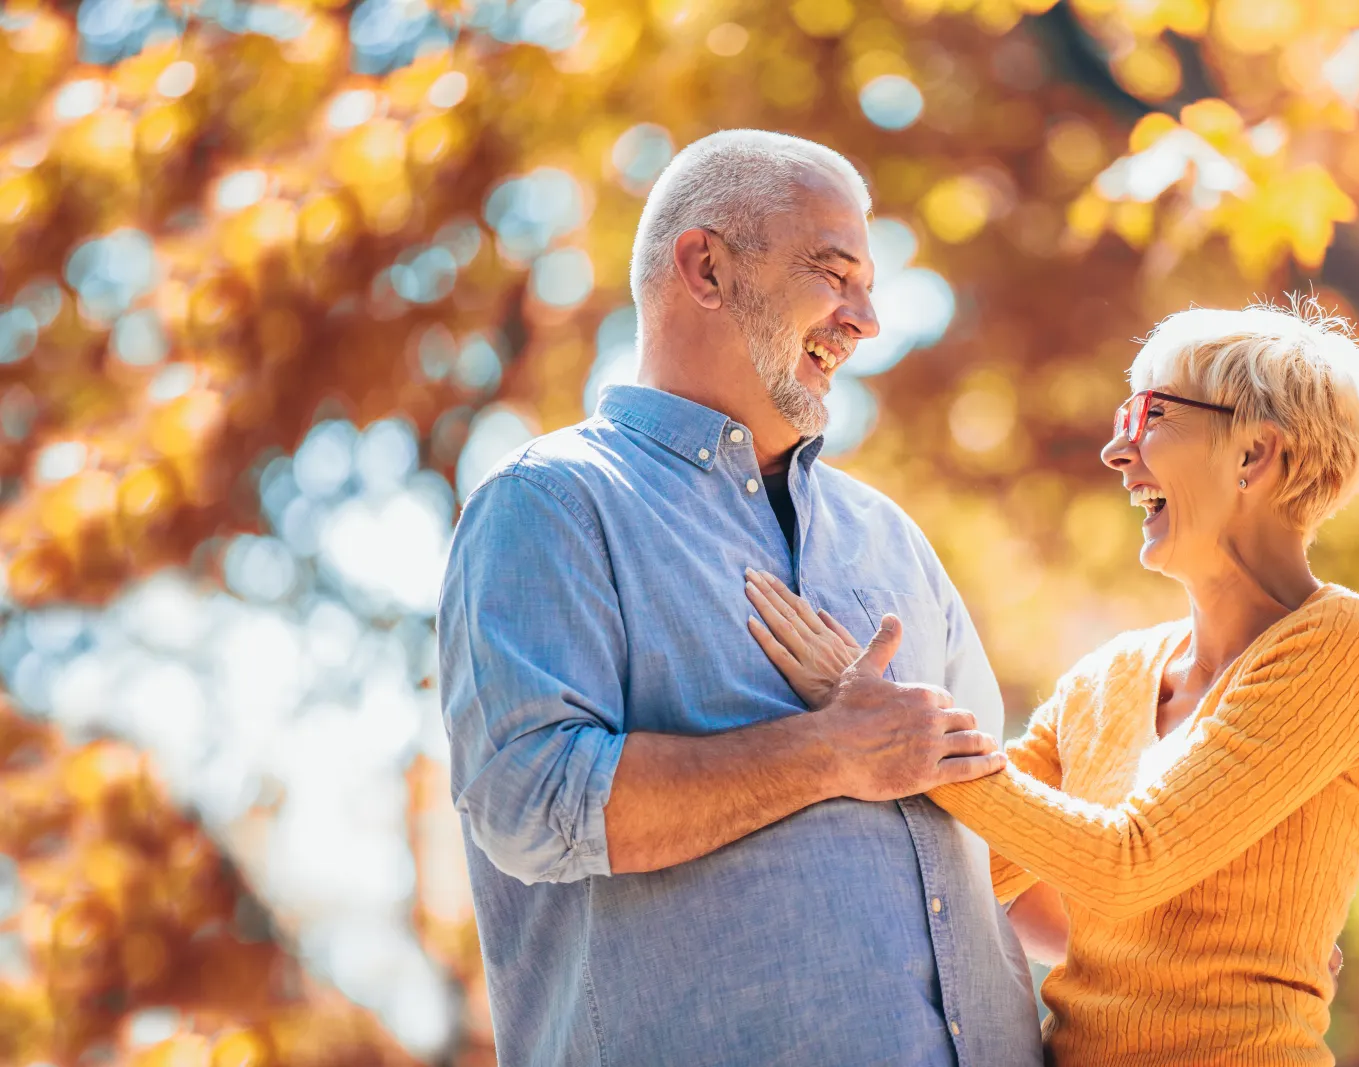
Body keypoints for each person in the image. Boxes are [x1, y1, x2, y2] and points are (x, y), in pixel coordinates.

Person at [437, 129, 1042, 1067]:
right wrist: (828, 753)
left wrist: (1219, 950)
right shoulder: (552, 504)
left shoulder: (894, 543)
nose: (866, 319)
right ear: (707, 267)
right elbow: (532, 802)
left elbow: (1004, 843)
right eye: (834, 273)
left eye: (867, 284)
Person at [744, 302, 1359, 1067]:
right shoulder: (1109, 677)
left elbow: (1131, 862)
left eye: (1150, 412)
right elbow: (983, 865)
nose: (1116, 449)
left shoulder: (1342, 644)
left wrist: (905, 732)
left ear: (1254, 454)